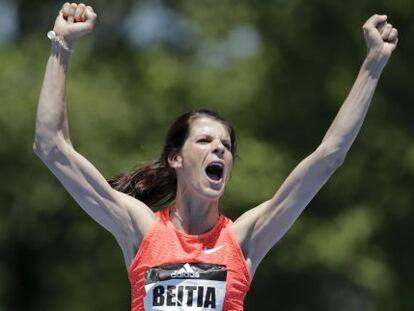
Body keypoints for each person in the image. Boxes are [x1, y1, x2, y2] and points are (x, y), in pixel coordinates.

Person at [33, 3, 398, 311]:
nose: (220, 148)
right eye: (205, 140)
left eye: (226, 144)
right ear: (176, 159)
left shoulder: (244, 238)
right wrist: (61, 44)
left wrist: (374, 64)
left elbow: (328, 156)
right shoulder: (140, 230)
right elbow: (51, 146)